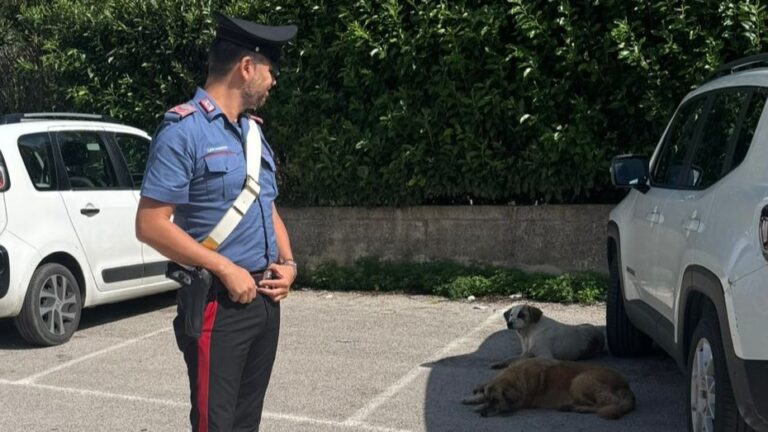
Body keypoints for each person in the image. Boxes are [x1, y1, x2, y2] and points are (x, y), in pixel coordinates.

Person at [135, 12, 298, 432]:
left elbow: (267, 203)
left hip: (265, 299)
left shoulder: (252, 134)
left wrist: (289, 262)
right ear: (247, 67)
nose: (272, 81)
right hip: (218, 305)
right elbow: (150, 225)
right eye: (270, 70)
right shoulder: (183, 132)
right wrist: (224, 267)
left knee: (247, 422)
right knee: (216, 424)